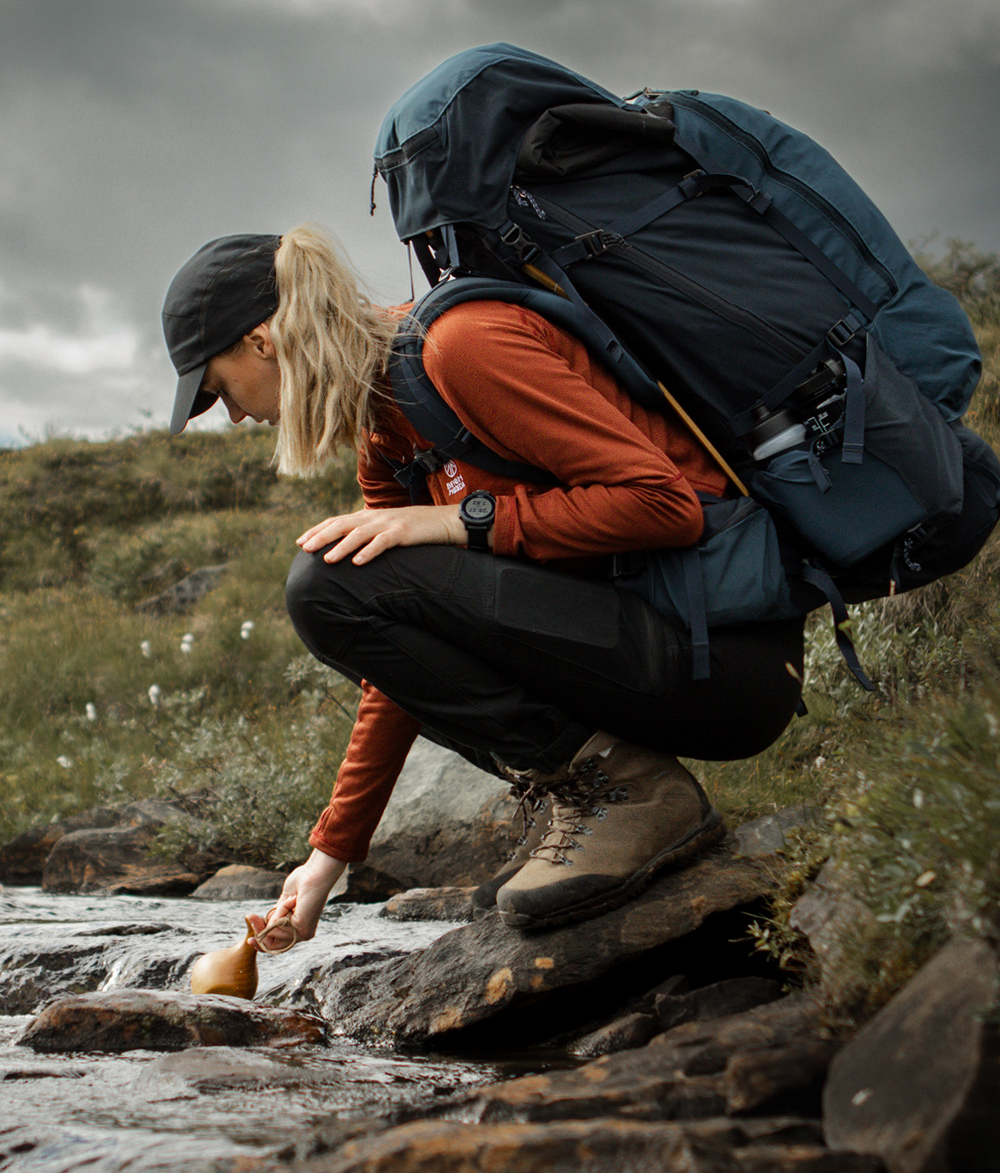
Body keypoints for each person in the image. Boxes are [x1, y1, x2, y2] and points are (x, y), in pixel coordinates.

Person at [162, 225, 805, 950]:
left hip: (722, 660)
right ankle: (586, 795)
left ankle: (630, 795)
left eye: (219, 391)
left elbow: (664, 505)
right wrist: (327, 859)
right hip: (628, 653)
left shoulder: (463, 346)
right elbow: (395, 659)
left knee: (324, 582)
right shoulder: (386, 438)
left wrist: (456, 522)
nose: (238, 416)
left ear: (261, 341)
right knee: (339, 589)